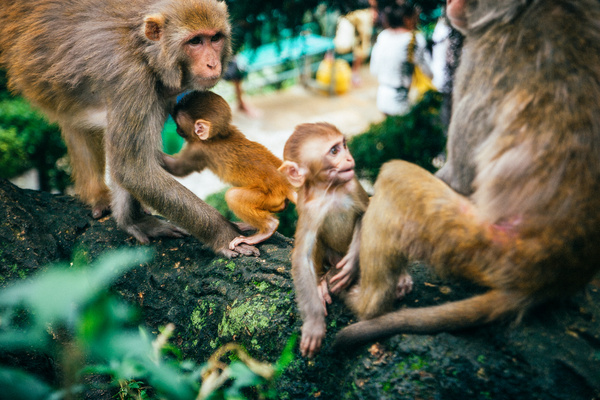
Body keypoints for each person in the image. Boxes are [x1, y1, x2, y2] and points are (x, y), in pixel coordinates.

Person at [370, 3, 432, 116]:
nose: (417, 21)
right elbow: (428, 71)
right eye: (415, 17)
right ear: (407, 19)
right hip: (400, 99)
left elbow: (373, 69)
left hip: (382, 95)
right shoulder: (414, 39)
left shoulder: (383, 36)